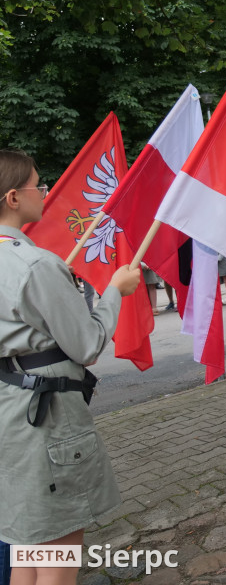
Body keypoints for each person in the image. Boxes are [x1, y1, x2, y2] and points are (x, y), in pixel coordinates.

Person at [0, 149, 141, 584]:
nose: (44, 192)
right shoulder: (35, 264)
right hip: (45, 420)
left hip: (10, 406)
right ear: (12, 197)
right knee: (59, 551)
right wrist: (115, 291)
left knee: (27, 542)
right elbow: (87, 344)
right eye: (37, 186)